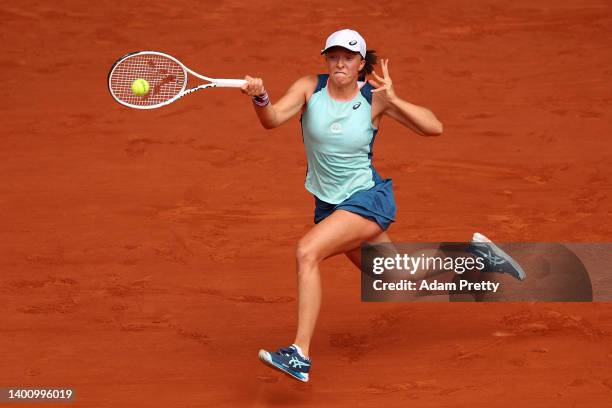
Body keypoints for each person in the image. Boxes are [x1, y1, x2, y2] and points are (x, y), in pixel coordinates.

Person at [241, 29, 524, 382]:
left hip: (366, 200)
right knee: (395, 279)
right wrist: (261, 97)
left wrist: (394, 98)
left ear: (361, 64)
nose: (339, 62)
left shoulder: (374, 99)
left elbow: (434, 128)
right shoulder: (309, 88)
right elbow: (272, 120)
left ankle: (299, 353)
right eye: (333, 56)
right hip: (330, 207)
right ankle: (477, 255)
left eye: (348, 57)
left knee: (307, 251)